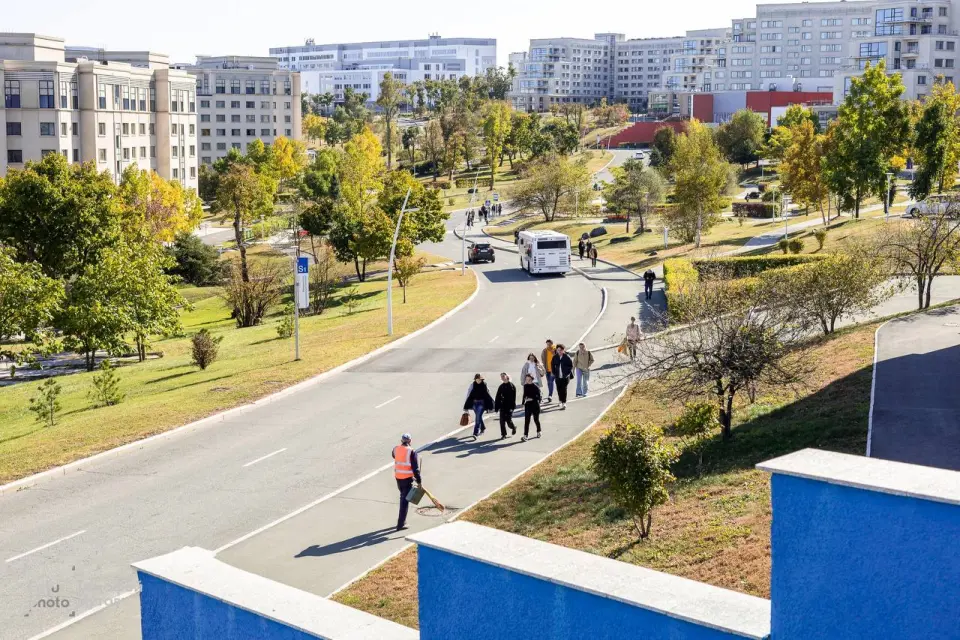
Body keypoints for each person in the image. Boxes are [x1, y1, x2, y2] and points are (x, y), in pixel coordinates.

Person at [392, 433, 422, 531]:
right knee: (404, 501)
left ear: (401, 441)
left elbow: (394, 456)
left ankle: (402, 521)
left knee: (403, 498)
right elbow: (415, 468)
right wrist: (419, 481)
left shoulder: (395, 449)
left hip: (398, 477)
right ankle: (401, 524)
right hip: (407, 479)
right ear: (410, 441)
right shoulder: (411, 452)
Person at [464, 373, 494, 439]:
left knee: (477, 417)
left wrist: (492, 403)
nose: (478, 380)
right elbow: (468, 394)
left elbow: (488, 394)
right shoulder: (472, 385)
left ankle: (475, 433)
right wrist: (466, 405)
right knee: (479, 416)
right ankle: (482, 427)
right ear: (475, 379)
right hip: (474, 403)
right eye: (477, 379)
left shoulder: (484, 385)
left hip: (481, 403)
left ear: (481, 379)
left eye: (479, 379)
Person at [550, 343, 574, 409]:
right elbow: (552, 365)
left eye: (560, 350)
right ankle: (560, 400)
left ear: (563, 350)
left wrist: (566, 373)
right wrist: (554, 372)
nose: (559, 351)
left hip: (565, 377)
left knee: (564, 389)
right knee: (559, 389)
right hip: (557, 376)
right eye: (558, 350)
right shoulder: (555, 357)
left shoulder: (567, 357)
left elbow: (571, 366)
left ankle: (564, 402)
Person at [494, 373, 517, 439]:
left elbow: (513, 398)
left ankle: (513, 427)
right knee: (502, 421)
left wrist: (512, 407)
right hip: (502, 406)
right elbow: (497, 397)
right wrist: (496, 407)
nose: (503, 378)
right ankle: (503, 434)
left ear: (507, 377)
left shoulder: (512, 386)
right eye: (501, 377)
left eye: (503, 376)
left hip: (510, 406)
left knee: (508, 420)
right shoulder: (501, 386)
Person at [521, 374, 542, 441]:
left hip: (535, 405)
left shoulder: (535, 387)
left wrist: (532, 399)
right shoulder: (525, 386)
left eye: (529, 379)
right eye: (526, 379)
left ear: (532, 379)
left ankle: (539, 431)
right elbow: (524, 395)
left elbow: (539, 397)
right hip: (528, 405)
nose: (527, 380)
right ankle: (525, 435)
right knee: (527, 421)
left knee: (536, 420)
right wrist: (523, 403)